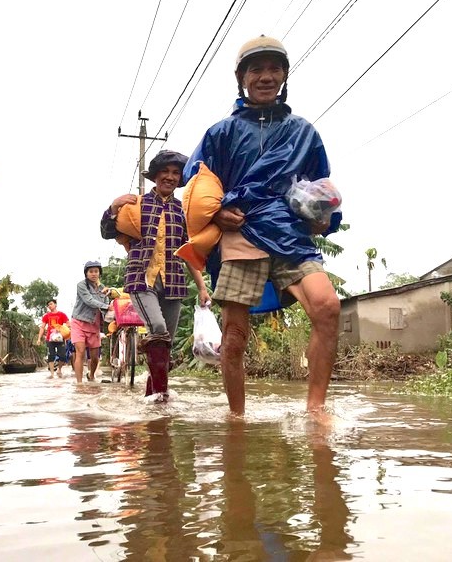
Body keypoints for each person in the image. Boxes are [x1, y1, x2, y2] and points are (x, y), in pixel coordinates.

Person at [183, 35, 341, 418]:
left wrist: (323, 214)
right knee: (234, 338)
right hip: (242, 232)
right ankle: (236, 419)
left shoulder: (304, 131)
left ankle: (315, 412)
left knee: (328, 307)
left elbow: (320, 184)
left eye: (274, 69)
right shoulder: (220, 132)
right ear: (242, 78)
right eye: (257, 69)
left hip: (291, 233)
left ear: (285, 75)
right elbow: (199, 184)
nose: (266, 76)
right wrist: (218, 213)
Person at [101, 150, 209, 401]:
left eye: (175, 173)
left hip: (173, 282)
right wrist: (114, 206)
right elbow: (106, 231)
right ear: (156, 176)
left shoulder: (183, 211)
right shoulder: (136, 205)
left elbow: (188, 251)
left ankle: (153, 397)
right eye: (165, 172)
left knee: (165, 343)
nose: (170, 177)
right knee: (158, 330)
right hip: (141, 280)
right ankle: (163, 395)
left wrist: (202, 288)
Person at [70, 261, 115, 383]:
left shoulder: (103, 289)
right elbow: (88, 300)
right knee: (80, 352)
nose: (94, 274)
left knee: (95, 357)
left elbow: (106, 306)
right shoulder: (81, 285)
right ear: (86, 273)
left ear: (99, 273)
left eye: (96, 271)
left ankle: (91, 375)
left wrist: (111, 312)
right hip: (79, 322)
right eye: (91, 271)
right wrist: (106, 306)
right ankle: (79, 383)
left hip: (94, 325)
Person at [35, 299, 69, 378]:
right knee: (51, 355)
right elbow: (42, 327)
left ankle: (59, 369)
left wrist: (60, 328)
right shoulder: (46, 316)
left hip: (60, 338)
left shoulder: (62, 314)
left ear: (55, 304)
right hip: (49, 339)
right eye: (48, 305)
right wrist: (39, 338)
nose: (50, 306)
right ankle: (52, 374)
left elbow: (68, 324)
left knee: (63, 356)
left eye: (51, 304)